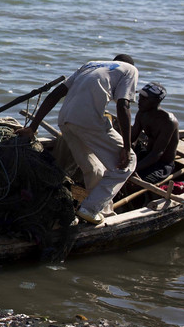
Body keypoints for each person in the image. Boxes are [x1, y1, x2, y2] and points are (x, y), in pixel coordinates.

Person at [17, 54, 138, 226]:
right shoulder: (130, 69)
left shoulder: (91, 65)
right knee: (128, 161)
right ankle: (89, 209)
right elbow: (123, 105)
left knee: (93, 168)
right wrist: (126, 146)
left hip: (65, 119)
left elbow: (56, 94)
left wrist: (33, 127)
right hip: (88, 120)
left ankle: (102, 211)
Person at [131, 82, 179, 183]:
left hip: (162, 163)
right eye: (140, 97)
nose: (139, 101)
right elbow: (132, 138)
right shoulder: (141, 113)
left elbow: (157, 154)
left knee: (137, 183)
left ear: (156, 101)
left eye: (145, 99)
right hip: (147, 154)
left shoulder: (168, 121)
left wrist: (132, 169)